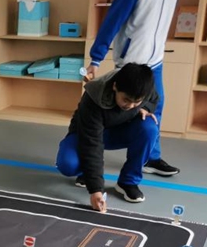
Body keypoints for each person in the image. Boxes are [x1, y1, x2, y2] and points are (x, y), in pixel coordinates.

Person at [85, 0, 191, 178]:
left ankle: (149, 157)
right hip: (131, 60)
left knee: (158, 105)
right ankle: (92, 153)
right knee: (124, 108)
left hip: (155, 59)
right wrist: (96, 57)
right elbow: (114, 18)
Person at [56, 64, 159, 211]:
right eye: (126, 100)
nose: (130, 106)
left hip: (120, 131)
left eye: (136, 102)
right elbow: (91, 144)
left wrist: (145, 108)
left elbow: (154, 99)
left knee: (149, 128)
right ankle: (85, 172)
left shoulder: (144, 87)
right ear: (115, 87)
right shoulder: (93, 97)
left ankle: (127, 182)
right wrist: (96, 190)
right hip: (88, 133)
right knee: (68, 164)